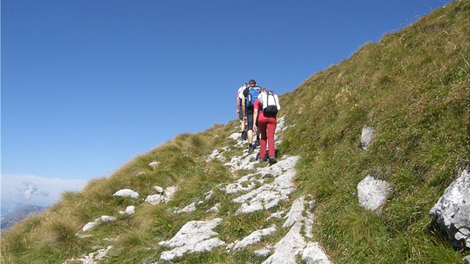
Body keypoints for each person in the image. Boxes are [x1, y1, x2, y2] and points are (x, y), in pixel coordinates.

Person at [253, 88, 281, 165]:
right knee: (271, 137)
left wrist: (254, 124)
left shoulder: (257, 100)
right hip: (272, 118)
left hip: (262, 118)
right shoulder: (272, 98)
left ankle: (262, 157)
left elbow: (255, 112)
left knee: (263, 137)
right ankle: (272, 156)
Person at [242, 79, 261, 153]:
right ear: (255, 84)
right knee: (258, 124)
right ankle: (258, 139)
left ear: (249, 84)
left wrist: (244, 115)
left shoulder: (246, 90)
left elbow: (243, 103)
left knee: (250, 127)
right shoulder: (259, 89)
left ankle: (250, 146)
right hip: (258, 108)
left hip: (249, 110)